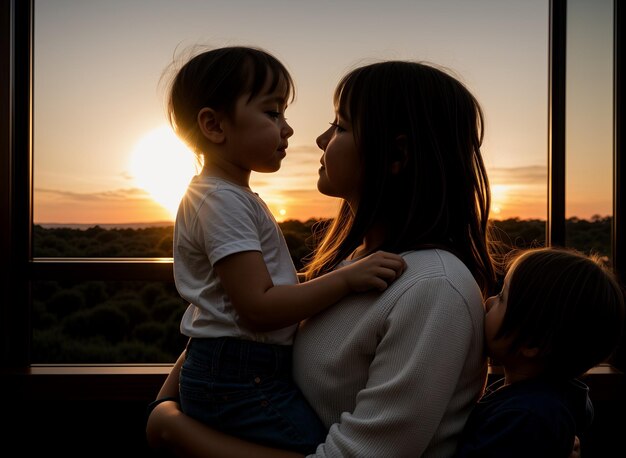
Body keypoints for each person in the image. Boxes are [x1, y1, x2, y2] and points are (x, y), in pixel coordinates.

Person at [147, 59, 498, 457]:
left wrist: (170, 427)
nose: (318, 139)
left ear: (396, 154)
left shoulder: (433, 289)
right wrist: (167, 408)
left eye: (341, 126)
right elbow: (234, 320)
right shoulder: (353, 267)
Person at [157, 46, 407, 455]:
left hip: (239, 369)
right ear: (214, 125)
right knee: (312, 450)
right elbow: (258, 306)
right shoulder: (222, 201)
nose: (288, 129)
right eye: (273, 114)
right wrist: (345, 279)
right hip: (239, 375)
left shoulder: (228, 196)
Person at [455, 247, 625, 457]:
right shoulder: (537, 404)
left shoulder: (524, 418)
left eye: (502, 297)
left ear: (532, 344)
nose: (489, 301)